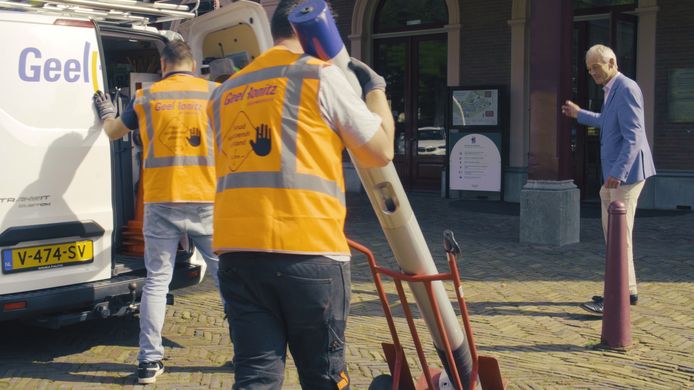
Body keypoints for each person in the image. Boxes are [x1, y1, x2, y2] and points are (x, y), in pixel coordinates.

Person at [207, 0, 394, 388]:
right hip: (309, 253)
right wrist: (375, 91)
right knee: (323, 378)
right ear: (319, 33)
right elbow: (380, 152)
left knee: (255, 376)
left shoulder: (224, 93)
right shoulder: (320, 76)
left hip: (238, 253)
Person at [92, 40, 223, 384]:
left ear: (163, 66)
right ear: (192, 65)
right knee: (228, 279)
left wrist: (107, 112)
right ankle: (247, 349)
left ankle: (148, 362)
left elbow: (113, 133)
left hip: (162, 202)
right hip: (206, 200)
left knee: (156, 281)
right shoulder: (215, 93)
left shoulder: (145, 98)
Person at [561, 44, 656, 315]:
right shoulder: (612, 89)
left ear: (612, 62)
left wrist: (618, 173)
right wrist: (580, 115)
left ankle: (617, 297)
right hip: (617, 176)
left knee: (618, 238)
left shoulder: (626, 88)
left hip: (625, 176)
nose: (592, 73)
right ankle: (629, 291)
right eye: (589, 69)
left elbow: (634, 136)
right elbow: (607, 121)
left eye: (596, 67)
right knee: (618, 236)